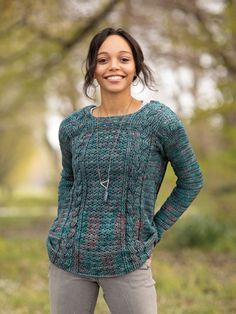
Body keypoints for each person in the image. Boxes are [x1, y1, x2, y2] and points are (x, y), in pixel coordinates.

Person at [46, 27, 203, 314]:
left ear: (136, 67)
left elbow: (191, 180)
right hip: (68, 259)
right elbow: (68, 179)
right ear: (92, 68)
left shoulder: (159, 122)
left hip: (128, 259)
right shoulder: (72, 127)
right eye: (103, 60)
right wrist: (63, 225)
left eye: (123, 59)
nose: (113, 67)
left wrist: (154, 230)